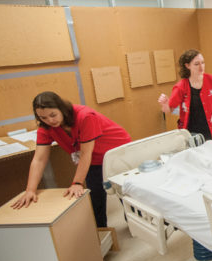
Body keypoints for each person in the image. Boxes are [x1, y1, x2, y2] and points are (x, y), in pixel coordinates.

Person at [12, 91, 131, 228]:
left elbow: (86, 153)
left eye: (53, 115)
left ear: (61, 109)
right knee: (95, 195)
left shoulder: (85, 116)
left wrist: (77, 182)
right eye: (43, 117)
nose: (50, 120)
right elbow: (39, 159)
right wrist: (30, 190)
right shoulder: (46, 128)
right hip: (94, 159)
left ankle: (133, 223)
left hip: (117, 151)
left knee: (124, 190)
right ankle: (101, 233)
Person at [158, 49, 212, 144]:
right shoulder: (181, 87)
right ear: (187, 66)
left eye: (202, 63)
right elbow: (169, 109)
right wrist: (165, 105)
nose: (201, 67)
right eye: (196, 64)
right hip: (194, 133)